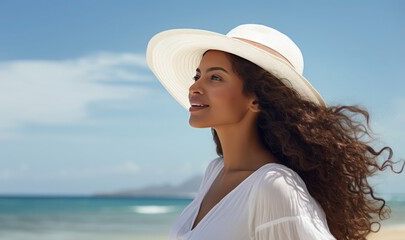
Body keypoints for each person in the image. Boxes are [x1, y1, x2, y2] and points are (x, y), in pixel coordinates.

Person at [146, 24, 403, 240]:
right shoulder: (215, 172)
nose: (194, 88)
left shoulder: (274, 185)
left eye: (215, 78)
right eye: (197, 75)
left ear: (257, 99)